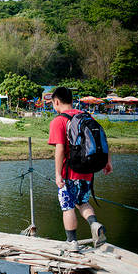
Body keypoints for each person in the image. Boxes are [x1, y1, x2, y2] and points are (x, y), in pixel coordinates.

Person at [48, 86, 112, 251]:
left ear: (56, 101)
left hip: (69, 171)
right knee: (82, 202)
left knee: (67, 205)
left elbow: (60, 149)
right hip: (88, 171)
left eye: (52, 104)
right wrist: (107, 162)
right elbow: (101, 139)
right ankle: (94, 224)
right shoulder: (86, 116)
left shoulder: (59, 121)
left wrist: (57, 174)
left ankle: (72, 243)